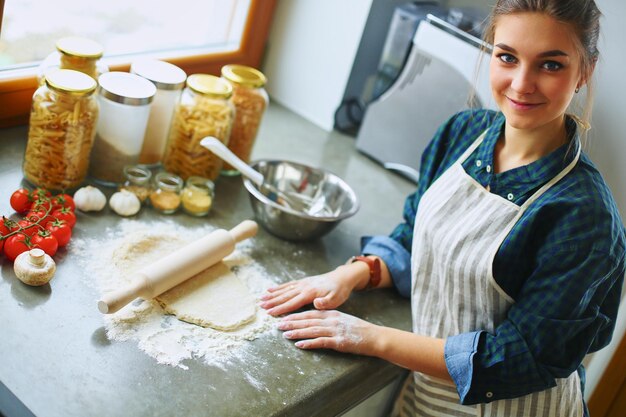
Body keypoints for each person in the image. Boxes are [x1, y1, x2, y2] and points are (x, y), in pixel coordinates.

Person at [260, 0, 625, 416]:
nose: (522, 83)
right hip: (428, 399)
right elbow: (417, 235)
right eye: (507, 57)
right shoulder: (463, 134)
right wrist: (353, 273)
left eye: (551, 65)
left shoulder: (583, 217)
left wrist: (370, 337)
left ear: (585, 71)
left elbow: (522, 356)